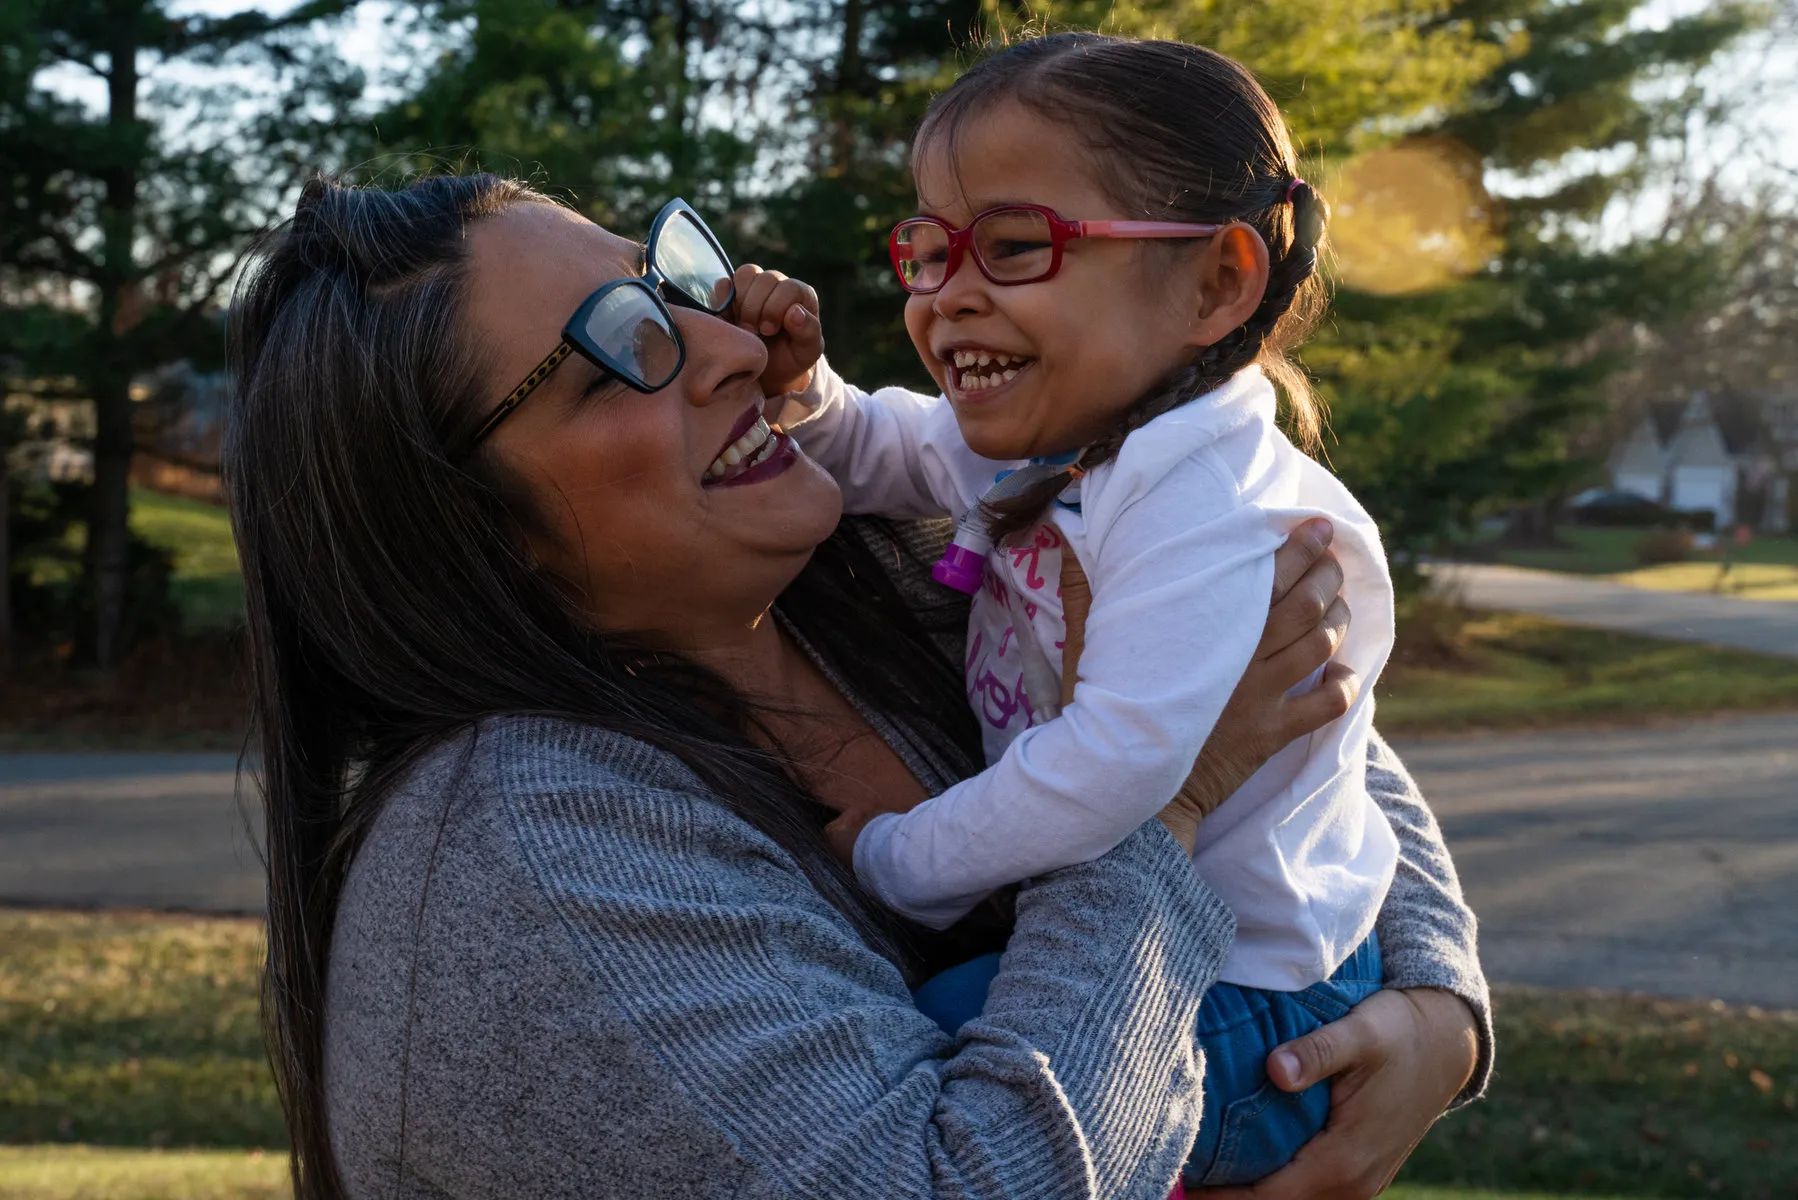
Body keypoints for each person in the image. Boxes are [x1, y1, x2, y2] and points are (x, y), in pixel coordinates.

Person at [224, 171, 1490, 1200]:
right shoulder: (532, 849)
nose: (730, 344)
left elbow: (1286, 682)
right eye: (623, 349)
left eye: (680, 282)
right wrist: (1160, 804)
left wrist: (1439, 1002)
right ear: (460, 528)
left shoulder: (884, 572)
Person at [731, 33, 1403, 1186]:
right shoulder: (1065, 432)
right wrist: (801, 390)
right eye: (929, 252)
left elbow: (1119, 767)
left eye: (1011, 246)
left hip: (1253, 993)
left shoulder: (1202, 501)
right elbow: (885, 448)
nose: (947, 297)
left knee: (931, 1056)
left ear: (1216, 283)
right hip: (1164, 942)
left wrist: (896, 862)